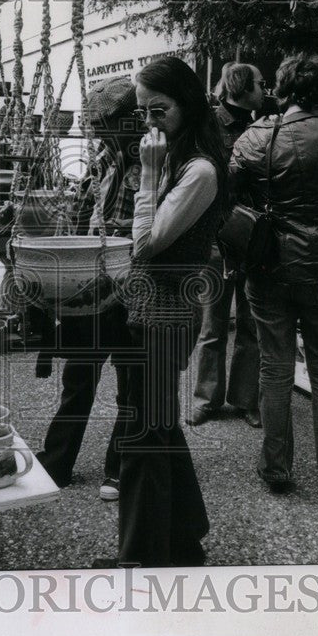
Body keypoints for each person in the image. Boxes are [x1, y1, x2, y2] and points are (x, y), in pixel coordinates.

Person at [106, 56, 226, 568]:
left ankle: (141, 558)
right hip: (151, 308)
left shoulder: (197, 169)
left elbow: (146, 244)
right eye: (144, 113)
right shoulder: (179, 158)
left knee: (144, 435)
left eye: (161, 111)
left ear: (188, 104)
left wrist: (148, 176)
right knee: (155, 426)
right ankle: (185, 533)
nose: (150, 124)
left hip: (169, 312)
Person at [230, 54, 318, 498]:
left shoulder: (252, 136)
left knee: (275, 365)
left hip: (268, 264)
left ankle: (276, 468)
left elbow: (231, 190)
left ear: (281, 90)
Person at [34, 77, 141, 500]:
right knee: (79, 378)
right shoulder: (103, 158)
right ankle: (57, 461)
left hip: (133, 284)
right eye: (95, 127)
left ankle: (119, 467)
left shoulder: (154, 158)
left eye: (105, 126)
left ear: (129, 120)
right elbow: (84, 211)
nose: (98, 134)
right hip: (93, 284)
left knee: (131, 384)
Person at [188, 62, 266, 427]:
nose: (265, 90)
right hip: (217, 236)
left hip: (254, 235)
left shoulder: (264, 126)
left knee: (251, 324)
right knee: (212, 324)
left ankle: (246, 399)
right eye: (260, 84)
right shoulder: (209, 126)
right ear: (242, 87)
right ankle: (206, 398)